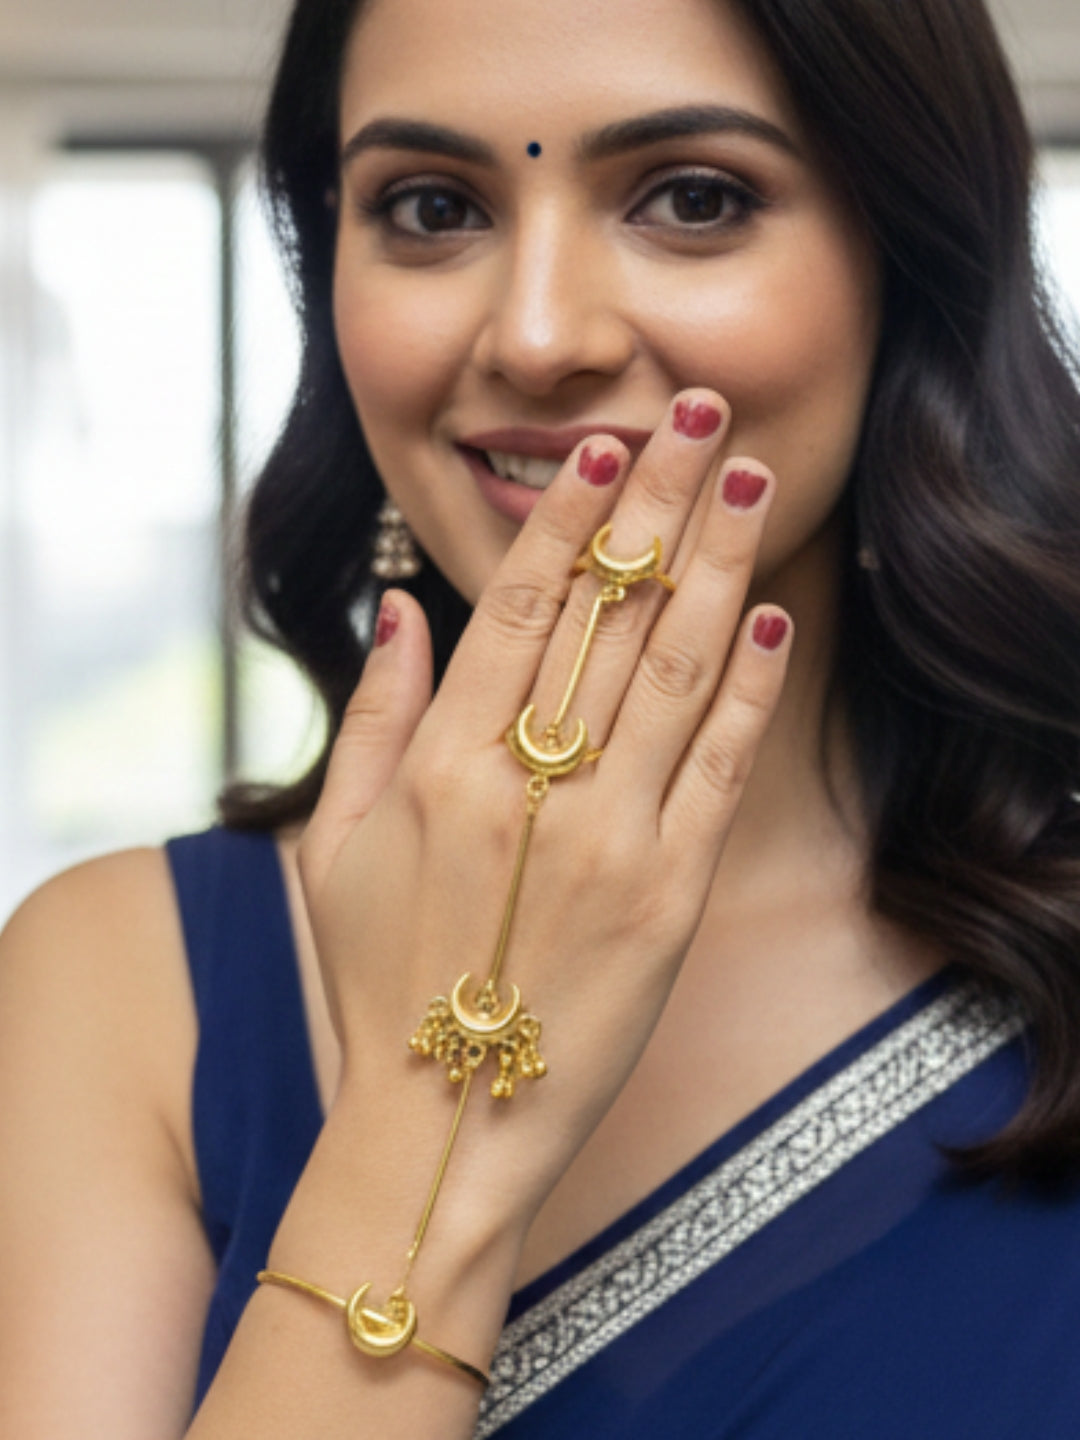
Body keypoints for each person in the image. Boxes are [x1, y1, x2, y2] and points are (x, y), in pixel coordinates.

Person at [3, 0, 1080, 1434]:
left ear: (913, 258)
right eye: (433, 208)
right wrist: (438, 1111)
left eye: (692, 199)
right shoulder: (122, 984)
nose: (536, 335)